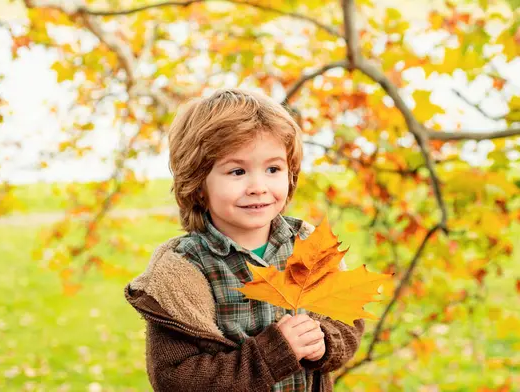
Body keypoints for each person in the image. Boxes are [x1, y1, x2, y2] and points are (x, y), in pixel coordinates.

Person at [125, 88, 365, 392]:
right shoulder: (183, 272)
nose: (258, 186)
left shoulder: (307, 244)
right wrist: (273, 353)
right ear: (198, 184)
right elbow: (175, 378)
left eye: (273, 169)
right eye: (237, 171)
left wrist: (324, 342)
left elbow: (347, 320)